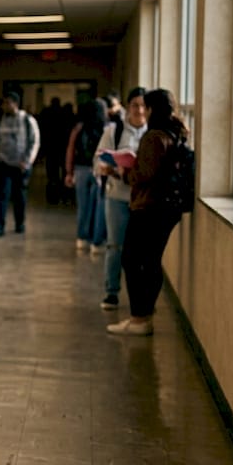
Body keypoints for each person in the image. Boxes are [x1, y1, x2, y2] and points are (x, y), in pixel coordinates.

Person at [107, 88, 189, 336]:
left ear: (153, 109)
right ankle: (143, 317)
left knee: (134, 260)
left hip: (149, 207)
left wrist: (125, 171)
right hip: (166, 207)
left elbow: (144, 174)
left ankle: (139, 318)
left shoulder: (154, 137)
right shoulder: (176, 133)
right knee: (149, 261)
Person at [97, 87, 149, 310]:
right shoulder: (114, 132)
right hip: (117, 196)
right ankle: (111, 292)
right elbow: (99, 160)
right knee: (115, 246)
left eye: (143, 105)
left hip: (143, 200)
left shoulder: (152, 134)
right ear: (127, 107)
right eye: (135, 105)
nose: (139, 110)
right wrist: (108, 168)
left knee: (141, 250)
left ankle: (140, 297)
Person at [0, 92, 40, 237]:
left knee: (19, 196)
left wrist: (27, 161)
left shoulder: (28, 120)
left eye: (8, 103)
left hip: (21, 164)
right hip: (2, 162)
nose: (5, 106)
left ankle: (19, 223)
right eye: (3, 103)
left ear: (16, 104)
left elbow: (34, 142)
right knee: (2, 195)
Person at [65, 99, 109, 253]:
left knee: (83, 206)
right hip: (101, 170)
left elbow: (71, 150)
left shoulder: (79, 128)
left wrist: (69, 172)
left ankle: (82, 237)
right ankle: (96, 240)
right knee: (99, 206)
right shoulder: (107, 129)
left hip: (81, 169)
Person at [37, 97, 66, 205]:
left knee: (52, 175)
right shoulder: (63, 113)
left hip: (50, 148)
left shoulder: (46, 113)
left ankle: (52, 197)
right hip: (62, 147)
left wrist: (41, 150)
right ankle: (63, 195)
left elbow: (41, 130)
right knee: (63, 173)